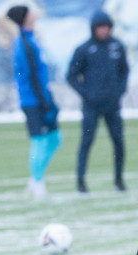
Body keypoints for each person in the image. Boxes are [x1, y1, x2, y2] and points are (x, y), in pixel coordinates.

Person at [66, 10, 130, 193]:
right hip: (91, 107)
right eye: (99, 27)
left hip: (112, 105)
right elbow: (71, 76)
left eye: (106, 27)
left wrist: (120, 91)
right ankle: (81, 182)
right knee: (86, 142)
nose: (103, 31)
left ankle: (118, 180)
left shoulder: (117, 46)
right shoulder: (84, 49)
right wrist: (87, 93)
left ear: (110, 27)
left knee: (118, 141)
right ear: (93, 29)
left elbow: (124, 72)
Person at [7, 5, 61, 201]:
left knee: (56, 138)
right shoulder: (23, 43)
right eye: (30, 12)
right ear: (25, 17)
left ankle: (34, 180)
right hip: (33, 100)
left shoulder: (31, 37)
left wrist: (48, 97)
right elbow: (31, 76)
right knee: (39, 140)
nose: (34, 14)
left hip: (42, 97)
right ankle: (38, 185)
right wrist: (43, 100)